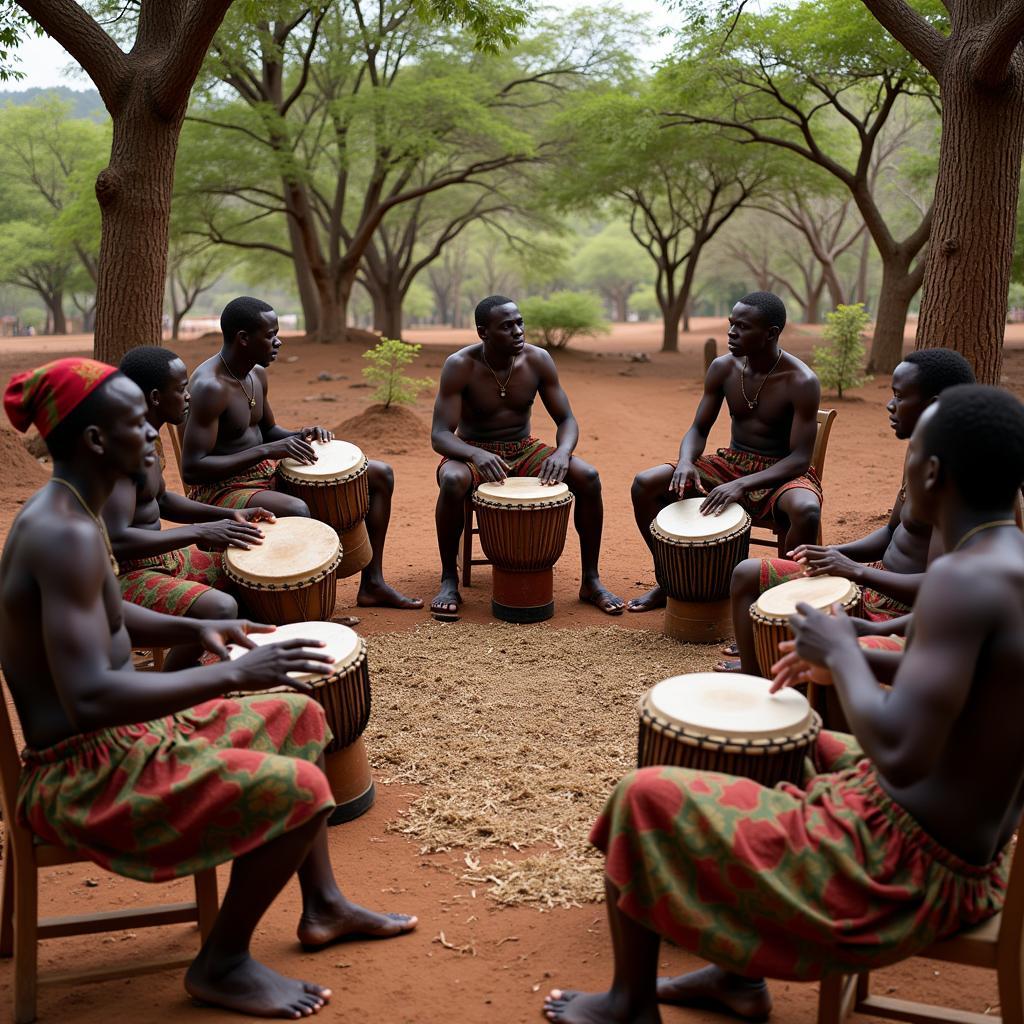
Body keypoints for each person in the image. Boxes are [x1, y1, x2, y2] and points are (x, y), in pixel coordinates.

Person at [543, 382, 1024, 1024]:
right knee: (778, 742)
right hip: (966, 849)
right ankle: (737, 980)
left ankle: (630, 1002)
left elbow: (902, 753)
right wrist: (856, 646)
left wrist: (842, 653)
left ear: (931, 473)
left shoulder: (958, 580)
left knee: (642, 796)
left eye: (913, 456)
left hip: (903, 868)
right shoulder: (1005, 560)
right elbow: (971, 684)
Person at [1, 358, 417, 1019]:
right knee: (307, 788)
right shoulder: (63, 535)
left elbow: (113, 614)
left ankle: (324, 906)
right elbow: (92, 699)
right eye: (136, 422)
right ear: (96, 441)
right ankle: (221, 962)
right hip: (87, 774)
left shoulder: (70, 512)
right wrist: (230, 674)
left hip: (120, 741)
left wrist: (214, 632)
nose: (151, 434)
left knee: (302, 717)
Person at [718, 348, 976, 674]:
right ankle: (752, 670)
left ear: (934, 404)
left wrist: (854, 571)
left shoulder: (953, 483)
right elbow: (890, 532)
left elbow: (939, 590)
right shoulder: (920, 450)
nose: (889, 404)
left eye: (900, 396)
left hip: (897, 608)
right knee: (746, 574)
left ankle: (772, 678)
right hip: (873, 576)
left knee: (808, 632)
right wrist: (832, 553)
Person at [182, 296, 421, 610]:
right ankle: (307, 607)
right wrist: (267, 450)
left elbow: (268, 431)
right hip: (222, 489)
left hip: (264, 473)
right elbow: (193, 469)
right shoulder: (210, 387)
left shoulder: (256, 374)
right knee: (297, 509)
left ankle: (373, 583)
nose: (278, 342)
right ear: (243, 338)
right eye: (270, 335)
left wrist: (302, 434)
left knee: (378, 474)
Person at [627, 292, 822, 613]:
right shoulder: (723, 368)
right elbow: (698, 429)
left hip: (782, 471)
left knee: (806, 510)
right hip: (731, 463)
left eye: (743, 328)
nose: (731, 333)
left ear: (771, 333)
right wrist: (686, 461)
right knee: (645, 483)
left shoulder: (801, 381)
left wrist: (742, 485)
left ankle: (783, 600)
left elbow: (800, 458)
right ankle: (670, 581)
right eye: (731, 325)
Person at [430, 294, 623, 619]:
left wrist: (563, 452)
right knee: (452, 480)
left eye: (520, 323)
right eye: (507, 327)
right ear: (483, 332)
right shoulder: (460, 365)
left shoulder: (538, 360)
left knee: (588, 477)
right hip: (472, 449)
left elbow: (566, 420)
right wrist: (475, 453)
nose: (518, 331)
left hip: (524, 448)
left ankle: (591, 580)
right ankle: (449, 579)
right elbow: (440, 435)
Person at [103, 346, 275, 670]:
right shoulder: (119, 452)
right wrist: (200, 531)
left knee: (254, 576)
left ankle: (214, 671)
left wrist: (230, 516)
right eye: (181, 389)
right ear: (155, 397)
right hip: (126, 576)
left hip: (164, 559)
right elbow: (116, 540)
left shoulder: (147, 436)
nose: (189, 397)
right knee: (220, 608)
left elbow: (163, 500)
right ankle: (171, 682)